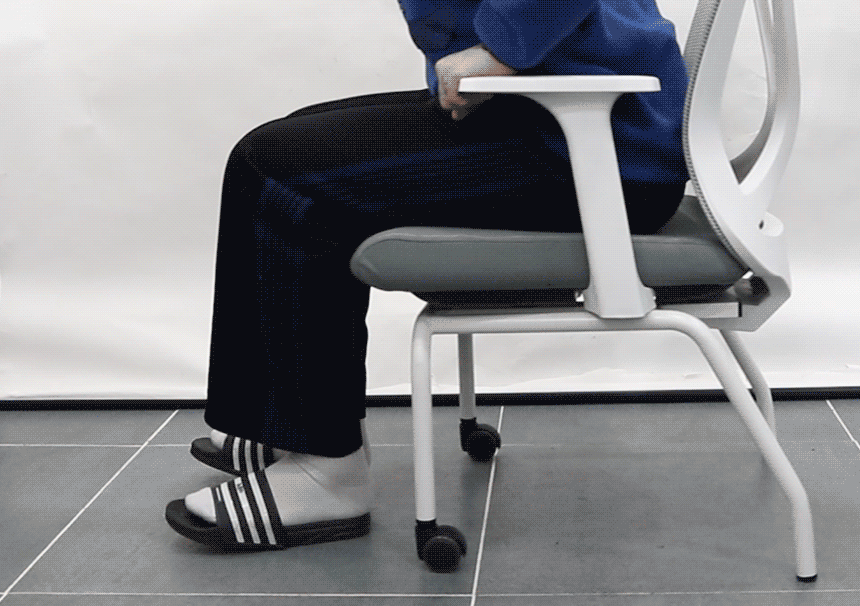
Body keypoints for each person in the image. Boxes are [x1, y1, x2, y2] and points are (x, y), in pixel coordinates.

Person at [165, 0, 690, 550]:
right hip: (564, 115)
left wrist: (501, 49)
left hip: (593, 147)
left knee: (277, 171)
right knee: (275, 149)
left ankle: (326, 470)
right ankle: (289, 425)